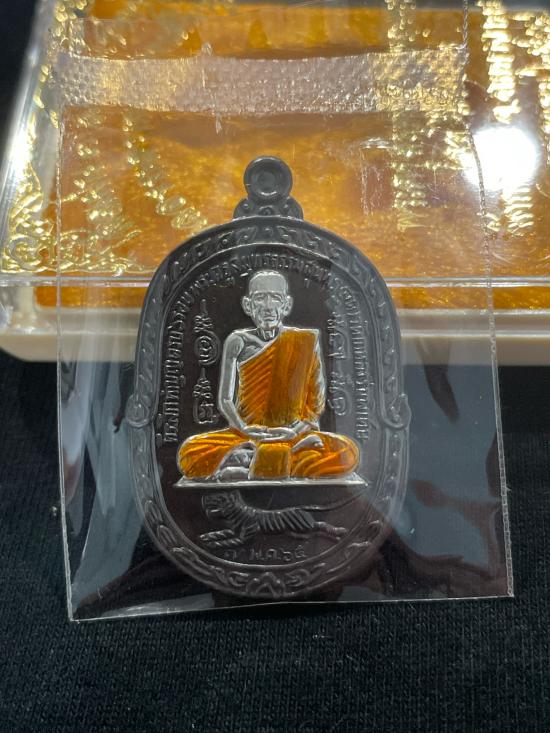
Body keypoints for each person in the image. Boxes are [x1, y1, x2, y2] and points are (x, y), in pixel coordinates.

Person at [178, 270, 359, 481]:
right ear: (248, 305)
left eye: (275, 298)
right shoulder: (238, 341)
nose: (268, 306)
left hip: (293, 435)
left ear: (286, 305)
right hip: (246, 435)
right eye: (260, 298)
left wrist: (294, 432)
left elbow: (314, 406)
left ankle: (251, 463)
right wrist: (244, 428)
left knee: (347, 452)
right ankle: (280, 460)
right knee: (189, 454)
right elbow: (225, 400)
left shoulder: (305, 341)